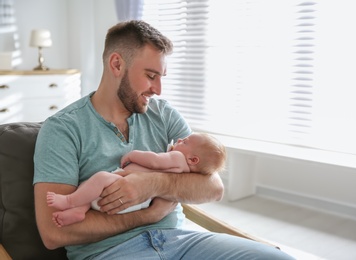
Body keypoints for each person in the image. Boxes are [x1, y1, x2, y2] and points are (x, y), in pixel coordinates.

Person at [33, 20, 294, 260]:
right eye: (150, 75)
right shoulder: (63, 130)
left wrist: (152, 184)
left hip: (180, 242)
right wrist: (148, 215)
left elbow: (213, 187)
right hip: (112, 252)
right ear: (116, 64)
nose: (158, 90)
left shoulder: (163, 113)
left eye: (161, 77)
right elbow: (54, 234)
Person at [46, 132, 226, 227]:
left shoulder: (177, 158)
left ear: (193, 160)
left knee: (97, 179)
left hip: (127, 193)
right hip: (138, 201)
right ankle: (79, 211)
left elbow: (155, 161)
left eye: (185, 142)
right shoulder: (186, 169)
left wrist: (134, 154)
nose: (179, 139)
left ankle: (70, 201)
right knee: (92, 186)